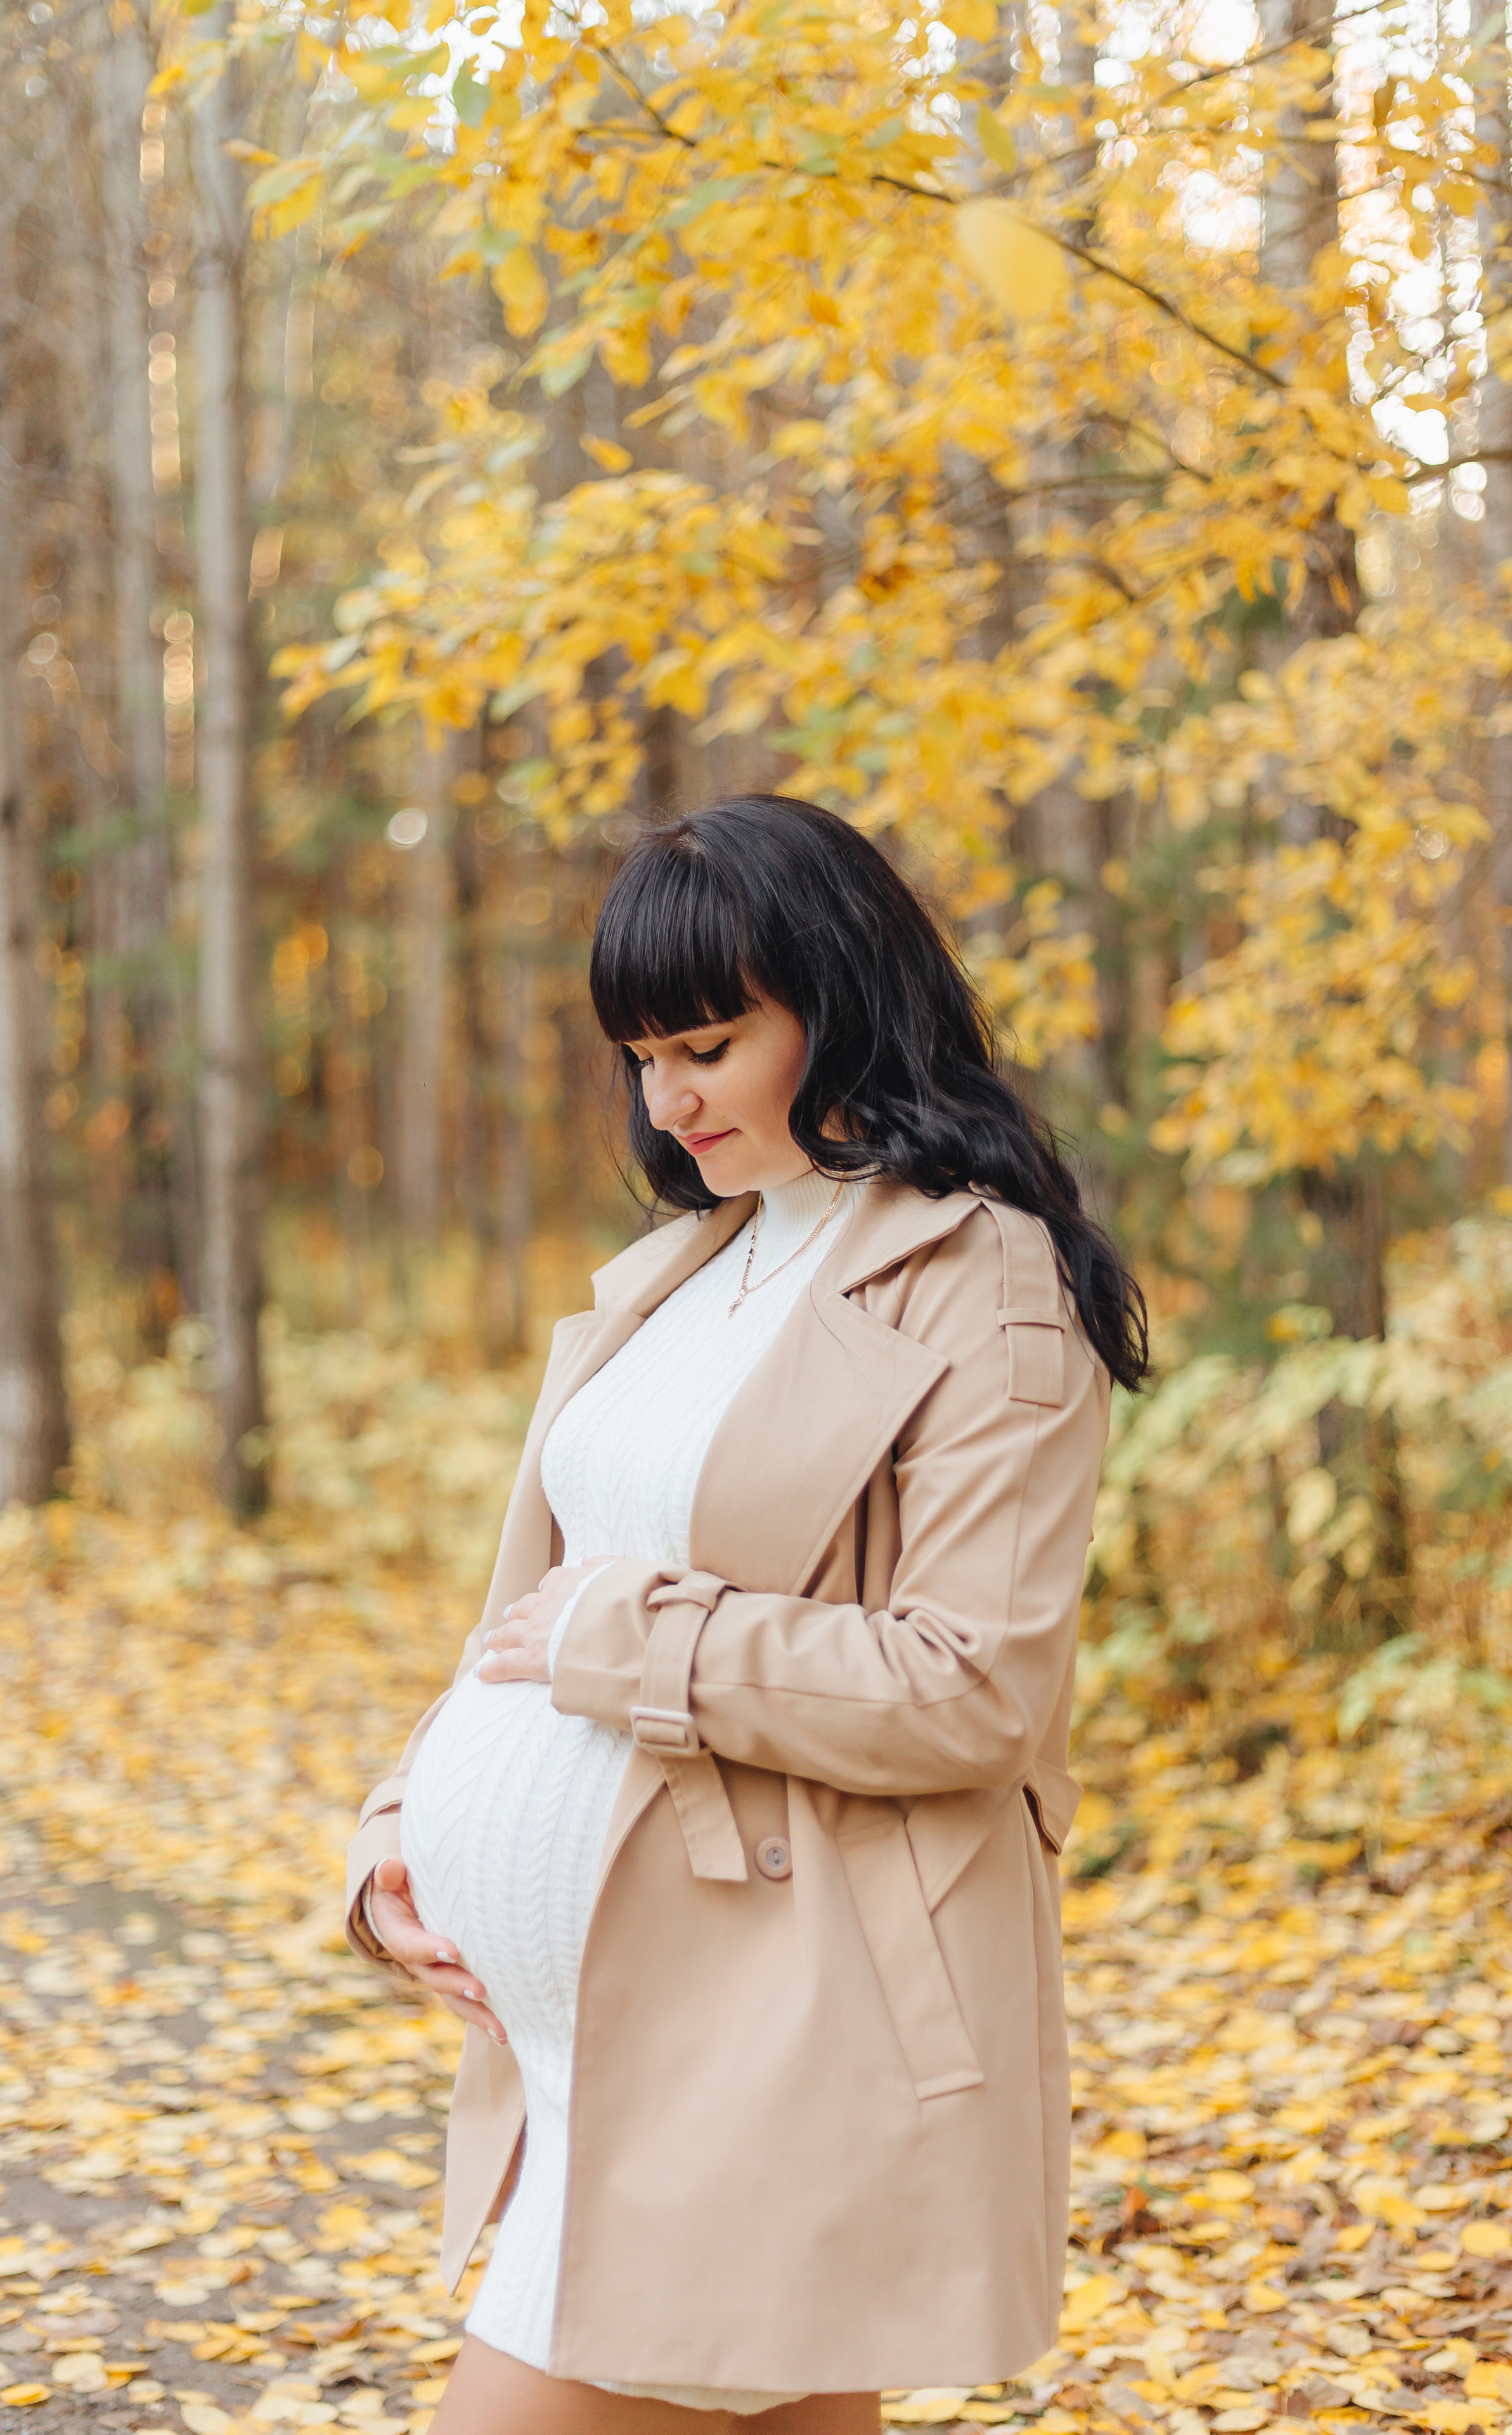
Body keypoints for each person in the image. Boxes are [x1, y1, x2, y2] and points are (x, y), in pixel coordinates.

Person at [344, 795, 1147, 2435]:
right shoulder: (688, 1269)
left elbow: (974, 1687)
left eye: (709, 1046)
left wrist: (639, 1647)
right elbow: (532, 1615)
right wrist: (398, 1834)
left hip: (774, 2033)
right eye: (644, 1058)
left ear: (840, 1006)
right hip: (599, 2053)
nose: (668, 1101)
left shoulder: (984, 1281)